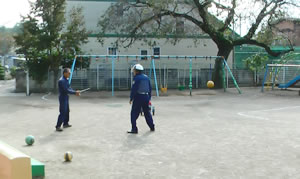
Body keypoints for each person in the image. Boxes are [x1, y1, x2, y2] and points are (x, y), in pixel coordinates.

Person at [128, 64, 155, 134]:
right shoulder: (146, 77)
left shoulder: (136, 78)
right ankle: (152, 126)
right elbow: (150, 88)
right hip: (146, 97)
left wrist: (131, 98)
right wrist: (149, 97)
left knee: (134, 113)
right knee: (147, 113)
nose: (133, 72)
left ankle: (134, 129)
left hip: (138, 97)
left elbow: (134, 89)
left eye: (134, 71)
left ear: (137, 71)